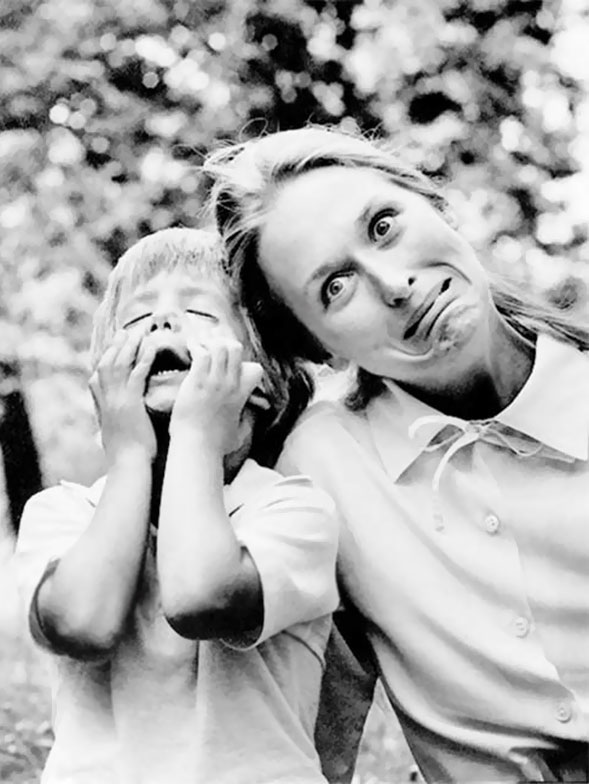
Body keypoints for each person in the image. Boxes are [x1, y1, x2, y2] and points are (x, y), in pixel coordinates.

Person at [204, 126, 589, 783]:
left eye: (382, 225)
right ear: (314, 343)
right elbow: (303, 733)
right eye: (333, 287)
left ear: (433, 203)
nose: (395, 285)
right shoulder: (321, 472)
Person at [14, 227, 339, 784]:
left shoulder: (292, 510)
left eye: (201, 315)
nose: (162, 324)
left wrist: (194, 438)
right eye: (138, 320)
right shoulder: (62, 514)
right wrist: (130, 458)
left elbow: (199, 597)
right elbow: (83, 623)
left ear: (263, 381)